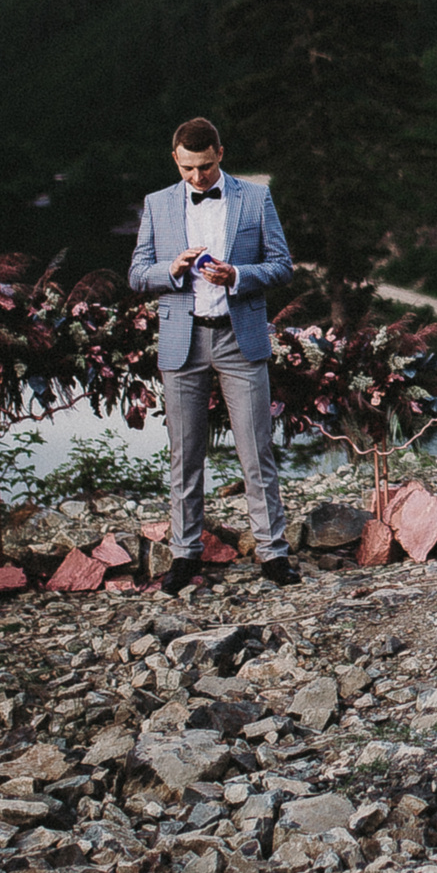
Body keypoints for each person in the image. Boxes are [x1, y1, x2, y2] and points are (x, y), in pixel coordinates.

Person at [127, 117, 299, 592]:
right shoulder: (157, 203)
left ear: (220, 154)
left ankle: (273, 554)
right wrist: (173, 269)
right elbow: (138, 274)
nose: (197, 178)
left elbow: (283, 267)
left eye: (204, 167)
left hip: (239, 338)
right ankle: (184, 555)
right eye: (187, 169)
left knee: (256, 450)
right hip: (182, 340)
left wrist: (239, 276)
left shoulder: (255, 197)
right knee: (185, 455)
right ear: (175, 161)